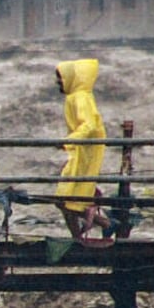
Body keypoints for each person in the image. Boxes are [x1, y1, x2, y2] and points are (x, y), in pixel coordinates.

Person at [54, 58, 113, 239]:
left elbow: (88, 125)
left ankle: (103, 224)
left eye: (60, 79)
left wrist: (67, 141)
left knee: (66, 200)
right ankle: (78, 236)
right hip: (80, 151)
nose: (57, 83)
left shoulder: (80, 97)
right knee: (66, 200)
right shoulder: (78, 96)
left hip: (85, 153)